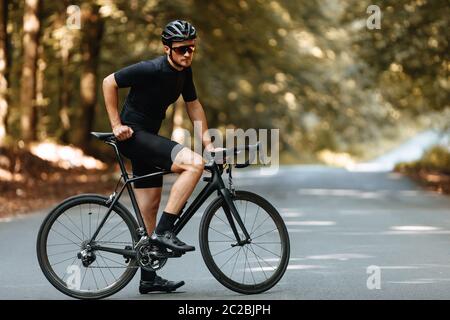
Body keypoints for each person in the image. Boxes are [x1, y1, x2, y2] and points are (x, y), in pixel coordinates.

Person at [102, 20, 215, 294]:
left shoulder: (184, 73)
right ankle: (166, 232)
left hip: (146, 138)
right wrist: (116, 125)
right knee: (194, 164)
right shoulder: (151, 68)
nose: (188, 54)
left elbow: (194, 106)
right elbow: (109, 82)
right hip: (134, 136)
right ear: (167, 49)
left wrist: (208, 143)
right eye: (181, 49)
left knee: (149, 207)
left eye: (191, 48)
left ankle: (148, 278)